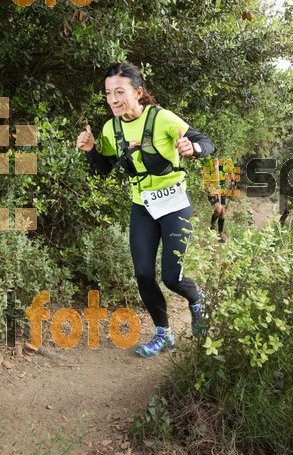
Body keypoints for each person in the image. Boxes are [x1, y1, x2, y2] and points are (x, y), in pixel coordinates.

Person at [76, 62, 215, 357]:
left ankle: (197, 298)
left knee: (171, 277)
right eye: (108, 93)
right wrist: (90, 150)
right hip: (143, 208)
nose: (113, 99)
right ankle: (164, 333)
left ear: (138, 92)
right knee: (142, 274)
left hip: (175, 205)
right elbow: (103, 169)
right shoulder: (110, 128)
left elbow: (206, 141)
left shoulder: (161, 118)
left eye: (120, 92)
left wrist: (194, 148)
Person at [207, 158, 237, 243]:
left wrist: (233, 180)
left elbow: (231, 172)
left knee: (222, 213)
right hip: (212, 187)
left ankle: (220, 233)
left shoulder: (228, 159)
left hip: (222, 189)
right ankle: (212, 226)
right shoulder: (212, 159)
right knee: (218, 209)